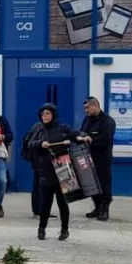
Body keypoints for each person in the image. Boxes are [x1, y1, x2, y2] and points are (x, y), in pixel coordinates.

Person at [21, 103, 81, 241]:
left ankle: (64, 229)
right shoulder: (38, 128)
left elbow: (75, 135)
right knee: (45, 202)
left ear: (53, 114)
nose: (45, 116)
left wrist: (82, 137)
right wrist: (40, 143)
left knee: (62, 201)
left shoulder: (62, 127)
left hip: (63, 167)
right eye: (42, 114)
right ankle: (41, 229)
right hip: (45, 168)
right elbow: (29, 143)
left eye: (47, 113)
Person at [78, 96, 117, 221]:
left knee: (103, 184)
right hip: (88, 156)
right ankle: (96, 207)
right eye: (84, 108)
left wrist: (91, 139)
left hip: (102, 158)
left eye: (88, 107)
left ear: (96, 106)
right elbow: (81, 132)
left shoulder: (108, 121)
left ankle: (104, 209)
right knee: (91, 183)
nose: (86, 110)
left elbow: (106, 139)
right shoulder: (87, 120)